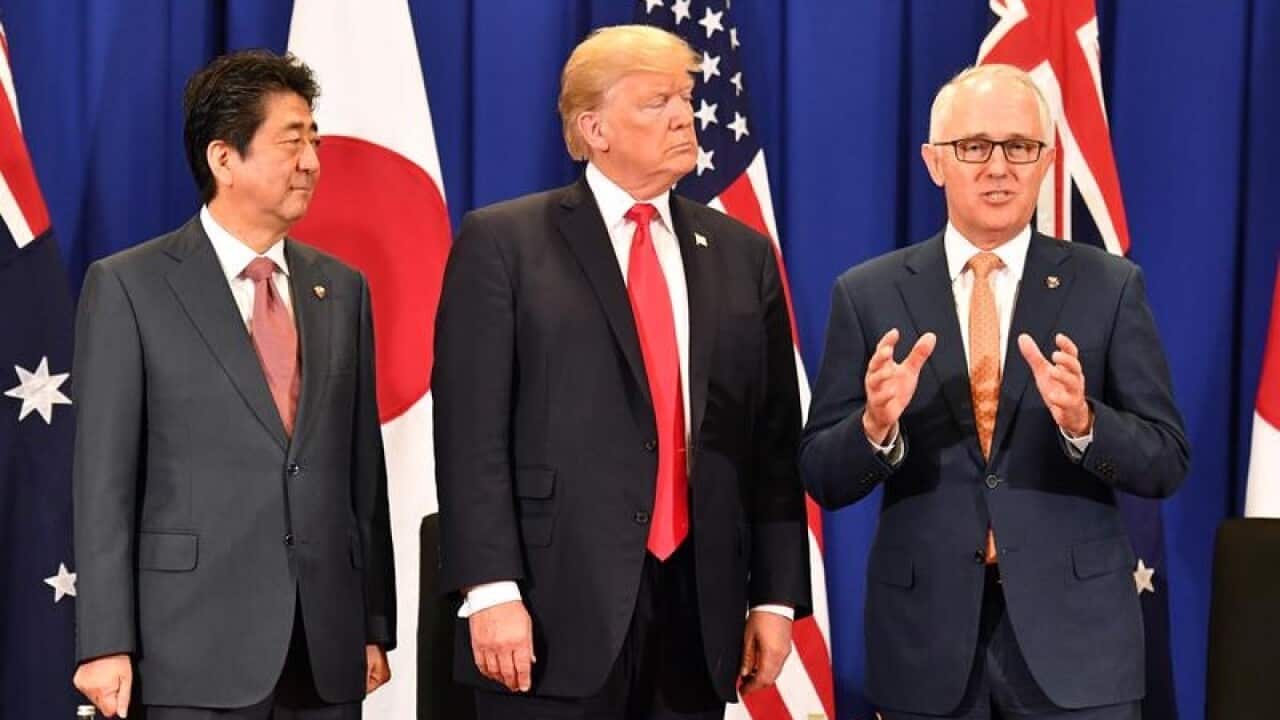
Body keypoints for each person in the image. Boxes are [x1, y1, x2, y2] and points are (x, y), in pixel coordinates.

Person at [432, 24, 811, 720]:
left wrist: (775, 596)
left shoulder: (741, 253)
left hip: (700, 610)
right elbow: (469, 435)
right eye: (656, 100)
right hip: (550, 607)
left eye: (686, 97)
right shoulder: (505, 243)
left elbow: (773, 442)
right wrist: (490, 589)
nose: (682, 115)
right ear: (594, 127)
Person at [800, 64, 1189, 719]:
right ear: (934, 162)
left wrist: (1083, 421)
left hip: (1077, 647)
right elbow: (823, 474)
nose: (999, 167)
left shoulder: (1109, 287)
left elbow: (1166, 460)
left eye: (1020, 147)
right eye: (974, 147)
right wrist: (874, 427)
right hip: (925, 644)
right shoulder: (867, 294)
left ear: (1046, 161)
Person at [71, 50, 395, 719]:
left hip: (325, 649)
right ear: (224, 158)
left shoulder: (342, 288)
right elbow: (103, 483)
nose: (312, 161)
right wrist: (104, 643)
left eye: (315, 139)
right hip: (189, 648)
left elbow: (362, 473)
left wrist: (372, 622)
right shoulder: (129, 286)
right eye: (291, 140)